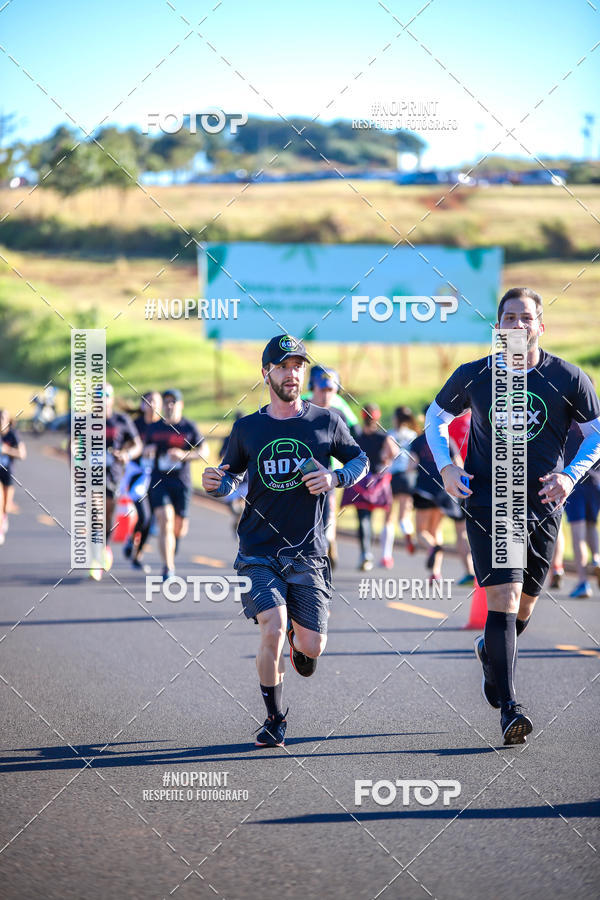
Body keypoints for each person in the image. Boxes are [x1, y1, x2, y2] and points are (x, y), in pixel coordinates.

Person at [426, 287, 600, 744]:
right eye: (509, 318)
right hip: (491, 501)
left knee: (524, 606)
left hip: (544, 503)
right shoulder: (476, 375)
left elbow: (597, 433)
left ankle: (490, 650)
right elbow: (434, 417)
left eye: (526, 318)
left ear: (541, 326)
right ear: (497, 327)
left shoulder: (567, 377)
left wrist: (570, 477)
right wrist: (446, 465)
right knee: (503, 598)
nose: (518, 326)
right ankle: (510, 708)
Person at [202, 334, 368, 748]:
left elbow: (360, 460)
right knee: (271, 628)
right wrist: (216, 483)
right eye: (284, 366)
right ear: (266, 373)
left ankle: (301, 643)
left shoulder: (325, 421)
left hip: (308, 553)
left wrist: (335, 477)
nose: (293, 373)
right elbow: (230, 475)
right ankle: (275, 717)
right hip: (257, 551)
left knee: (313, 644)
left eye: (298, 366)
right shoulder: (247, 428)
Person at [145, 389, 206, 582]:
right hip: (159, 480)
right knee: (165, 519)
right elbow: (143, 447)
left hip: (182, 482)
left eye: (174, 402)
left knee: (179, 527)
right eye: (167, 402)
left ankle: (174, 542)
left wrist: (184, 455)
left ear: (181, 405)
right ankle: (168, 567)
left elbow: (204, 450)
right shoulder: (154, 428)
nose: (169, 405)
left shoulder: (188, 427)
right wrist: (149, 450)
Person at [407, 408, 463, 583]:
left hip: (424, 489)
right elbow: (459, 463)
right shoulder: (448, 440)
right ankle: (435, 573)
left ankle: (432, 548)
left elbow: (410, 465)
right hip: (443, 489)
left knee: (422, 531)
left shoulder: (418, 441)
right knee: (436, 529)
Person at [93, 384, 143, 581]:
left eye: (105, 395)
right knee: (95, 513)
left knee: (106, 517)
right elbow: (73, 445)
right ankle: (95, 559)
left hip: (113, 476)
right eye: (97, 395)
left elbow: (137, 445)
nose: (101, 399)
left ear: (111, 399)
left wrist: (125, 454)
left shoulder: (121, 420)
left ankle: (104, 547)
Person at [340, 403, 397, 571]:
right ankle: (373, 553)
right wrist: (385, 459)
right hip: (377, 482)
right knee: (374, 518)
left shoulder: (356, 436)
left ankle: (366, 553)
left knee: (363, 518)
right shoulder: (382, 436)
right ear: (377, 417)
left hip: (359, 481)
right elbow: (393, 453)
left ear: (362, 417)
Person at [310, 367, 354, 569]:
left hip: (330, 473)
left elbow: (348, 446)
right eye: (322, 389)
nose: (327, 394)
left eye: (331, 390)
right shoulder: (301, 410)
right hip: (303, 472)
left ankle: (328, 543)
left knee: (328, 512)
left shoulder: (338, 415)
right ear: (313, 388)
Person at [122, 391, 163, 572]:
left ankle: (137, 555)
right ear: (142, 405)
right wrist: (140, 449)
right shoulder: (134, 424)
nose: (152, 404)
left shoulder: (163, 426)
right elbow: (123, 445)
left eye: (156, 401)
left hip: (155, 475)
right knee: (144, 515)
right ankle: (131, 541)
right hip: (136, 474)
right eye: (149, 401)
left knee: (151, 518)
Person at [563, 417, 600, 598]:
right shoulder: (595, 415)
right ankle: (596, 559)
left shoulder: (568, 419)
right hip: (594, 480)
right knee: (592, 525)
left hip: (573, 480)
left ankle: (583, 581)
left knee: (577, 531)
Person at [383, 406, 418, 564]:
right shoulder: (413, 435)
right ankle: (407, 532)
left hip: (393, 477)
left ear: (396, 418)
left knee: (388, 517)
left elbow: (386, 456)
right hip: (408, 476)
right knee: (404, 516)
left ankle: (386, 556)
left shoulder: (390, 434)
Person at [0, 409, 26, 546]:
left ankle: (4, 519)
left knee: (5, 506)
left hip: (8, 473)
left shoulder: (13, 435)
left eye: (3, 419)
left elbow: (22, 454)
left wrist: (7, 450)